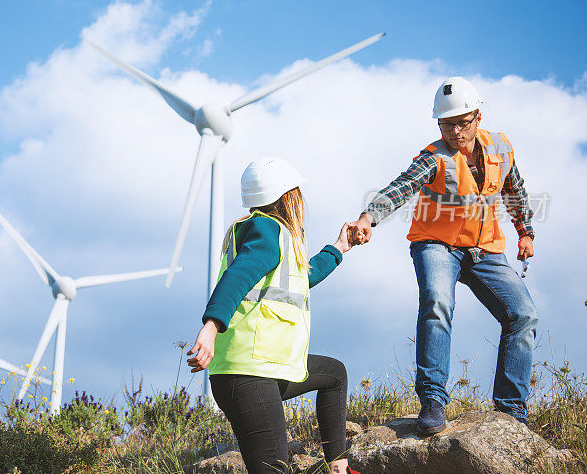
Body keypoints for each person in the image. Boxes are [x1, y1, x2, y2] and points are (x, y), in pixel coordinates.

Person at [349, 76, 538, 434]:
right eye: (446, 123)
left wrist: (525, 231)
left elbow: (515, 188)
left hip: (484, 249)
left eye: (461, 123)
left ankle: (511, 412)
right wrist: (368, 217)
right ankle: (433, 403)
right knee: (437, 302)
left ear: (477, 118)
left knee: (523, 315)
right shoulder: (434, 158)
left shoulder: (500, 148)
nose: (454, 131)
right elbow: (401, 187)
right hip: (436, 244)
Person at [187, 157, 360, 474]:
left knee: (334, 374)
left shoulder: (275, 236)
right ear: (287, 196)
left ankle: (338, 465)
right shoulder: (268, 231)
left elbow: (302, 277)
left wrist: (339, 247)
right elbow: (237, 278)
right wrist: (210, 328)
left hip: (267, 366)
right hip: (248, 371)